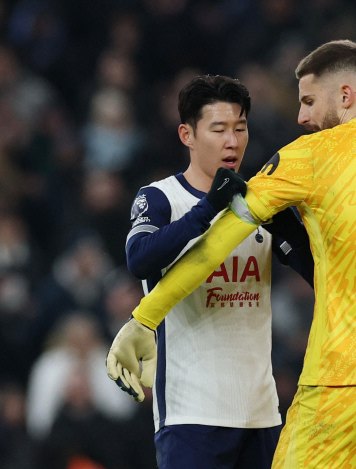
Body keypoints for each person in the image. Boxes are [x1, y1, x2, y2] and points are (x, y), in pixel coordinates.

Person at [108, 41, 356, 468]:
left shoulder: (312, 155)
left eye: (308, 101)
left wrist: (144, 317)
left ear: (345, 96)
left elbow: (217, 241)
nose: (302, 116)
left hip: (342, 383)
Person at [114, 75, 312, 469]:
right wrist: (208, 210)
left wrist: (287, 228)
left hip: (262, 413)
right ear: (187, 134)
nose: (233, 141)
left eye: (240, 128)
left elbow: (322, 277)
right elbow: (140, 259)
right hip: (192, 415)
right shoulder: (159, 197)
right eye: (219, 129)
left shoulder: (262, 200)